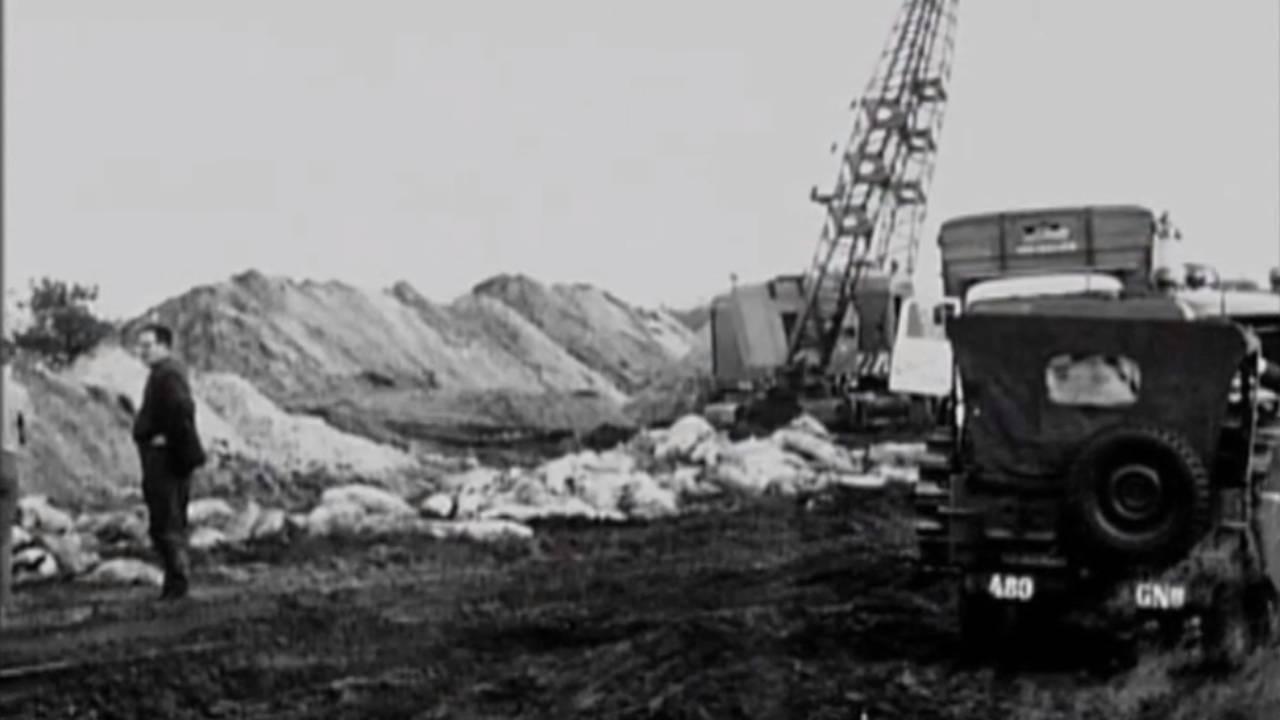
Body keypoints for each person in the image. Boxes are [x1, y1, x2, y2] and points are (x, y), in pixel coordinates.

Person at [132, 323, 206, 600]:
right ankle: (175, 581)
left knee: (165, 522)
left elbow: (181, 409)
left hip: (165, 461)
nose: (142, 352)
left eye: (147, 346)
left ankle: (178, 583)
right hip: (165, 458)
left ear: (164, 346)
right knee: (167, 521)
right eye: (140, 346)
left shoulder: (168, 375)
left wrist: (170, 442)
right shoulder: (163, 374)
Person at [1, 360, 32, 627]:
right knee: (3, 538)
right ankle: (2, 606)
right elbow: (24, 435)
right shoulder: (19, 392)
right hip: (8, 463)